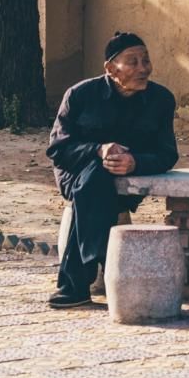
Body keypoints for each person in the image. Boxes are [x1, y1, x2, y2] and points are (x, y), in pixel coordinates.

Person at [45, 31, 179, 308]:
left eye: (146, 60)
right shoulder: (81, 95)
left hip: (129, 175)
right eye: (133, 62)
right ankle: (100, 268)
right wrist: (98, 149)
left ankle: (76, 284)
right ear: (110, 68)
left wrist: (136, 162)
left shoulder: (161, 99)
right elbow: (58, 150)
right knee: (95, 176)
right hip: (75, 172)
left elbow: (167, 154)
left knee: (97, 181)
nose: (143, 69)